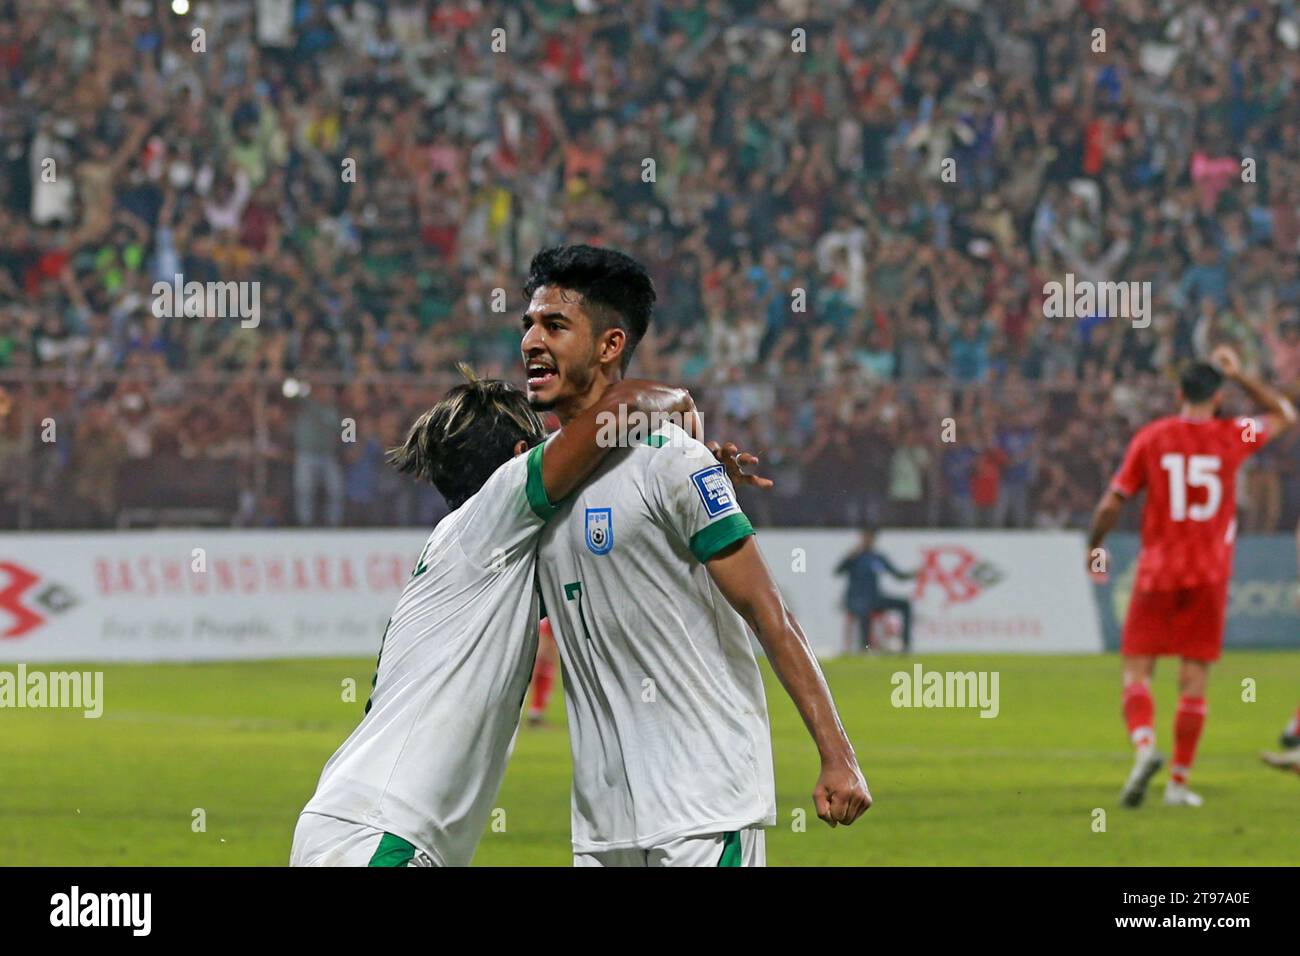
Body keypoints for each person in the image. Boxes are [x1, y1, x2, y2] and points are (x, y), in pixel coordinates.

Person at [520, 244, 871, 867]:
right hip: (604, 827)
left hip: (703, 811)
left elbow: (770, 612)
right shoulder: (535, 485)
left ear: (609, 345)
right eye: (528, 324)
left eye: (554, 325)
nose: (531, 341)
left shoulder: (671, 460)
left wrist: (837, 754)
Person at [290, 369, 700, 866]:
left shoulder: (479, 551)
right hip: (383, 833)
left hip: (361, 822)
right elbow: (630, 402)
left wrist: (683, 476)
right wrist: (681, 409)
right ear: (519, 456)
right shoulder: (496, 510)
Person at [1086, 345, 1296, 808]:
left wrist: (1095, 545)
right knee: (1193, 680)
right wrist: (1240, 375)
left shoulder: (1152, 437)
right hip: (1209, 574)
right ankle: (1178, 784)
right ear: (1217, 398)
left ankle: (1144, 749)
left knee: (1137, 670)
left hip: (1158, 570)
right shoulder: (1232, 435)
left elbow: (1111, 503)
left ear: (1178, 392)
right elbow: (1284, 413)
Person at [835, 524, 916, 653]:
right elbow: (837, 571)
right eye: (865, 537)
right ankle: (865, 648)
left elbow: (898, 575)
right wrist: (849, 557)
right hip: (855, 599)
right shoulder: (855, 557)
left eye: (870, 537)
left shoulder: (878, 557)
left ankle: (905, 647)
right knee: (864, 608)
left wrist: (913, 574)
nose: (868, 540)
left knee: (905, 605)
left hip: (875, 598)